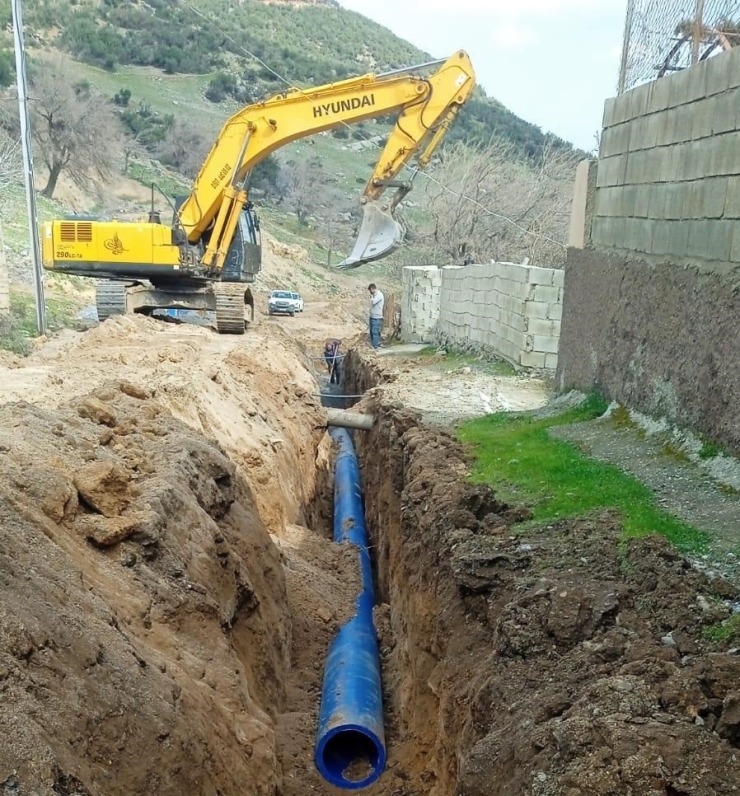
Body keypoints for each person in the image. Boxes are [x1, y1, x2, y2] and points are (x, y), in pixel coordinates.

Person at [367, 283, 384, 349]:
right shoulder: (375, 295)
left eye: (370, 290)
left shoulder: (379, 295)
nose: (370, 292)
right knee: (372, 332)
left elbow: (373, 302)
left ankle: (375, 346)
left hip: (376, 318)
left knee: (375, 332)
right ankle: (375, 344)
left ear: (372, 288)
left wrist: (371, 298)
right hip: (372, 316)